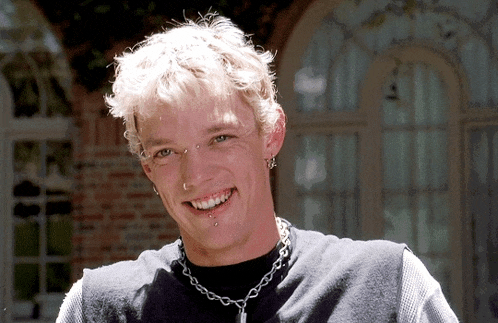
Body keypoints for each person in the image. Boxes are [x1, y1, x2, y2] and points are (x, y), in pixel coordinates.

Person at [56, 13, 458, 322]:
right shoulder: (97, 308)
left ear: (272, 134)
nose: (196, 176)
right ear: (148, 171)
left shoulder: (386, 286)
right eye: (166, 152)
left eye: (220, 139)